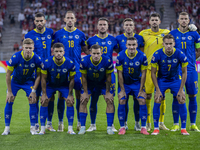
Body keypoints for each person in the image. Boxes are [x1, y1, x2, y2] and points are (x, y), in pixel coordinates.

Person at [53, 11, 89, 131]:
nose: (69, 20)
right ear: (64, 19)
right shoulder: (58, 34)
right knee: (62, 94)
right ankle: (60, 122)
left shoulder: (80, 34)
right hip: (62, 69)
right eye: (67, 17)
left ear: (75, 20)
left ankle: (79, 122)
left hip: (77, 69)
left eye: (71, 18)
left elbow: (85, 49)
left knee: (79, 95)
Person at [2, 38, 43, 135]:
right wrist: (9, 91)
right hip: (15, 81)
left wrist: (34, 91)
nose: (28, 50)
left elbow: (38, 76)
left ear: (33, 48)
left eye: (30, 48)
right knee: (10, 100)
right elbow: (8, 75)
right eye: (26, 48)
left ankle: (33, 128)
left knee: (33, 100)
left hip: (28, 82)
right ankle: (6, 128)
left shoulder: (36, 58)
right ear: (23, 48)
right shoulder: (16, 57)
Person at [151, 34, 189, 135]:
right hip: (162, 80)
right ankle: (156, 128)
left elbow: (184, 72)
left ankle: (183, 128)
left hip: (175, 80)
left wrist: (181, 89)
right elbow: (153, 73)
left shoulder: (180, 54)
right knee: (157, 98)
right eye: (166, 44)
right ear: (163, 44)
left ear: (174, 44)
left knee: (181, 98)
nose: (168, 46)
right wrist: (157, 90)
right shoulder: (157, 54)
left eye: (170, 44)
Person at [86, 17, 118, 132]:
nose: (102, 26)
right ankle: (92, 125)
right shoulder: (91, 40)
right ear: (97, 26)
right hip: (94, 75)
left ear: (107, 26)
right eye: (100, 24)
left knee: (110, 99)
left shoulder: (113, 40)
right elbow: (87, 51)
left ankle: (111, 125)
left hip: (108, 74)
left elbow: (120, 51)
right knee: (93, 100)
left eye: (104, 24)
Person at [169, 12, 200, 132]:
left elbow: (198, 50)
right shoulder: (172, 34)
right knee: (176, 96)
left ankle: (192, 124)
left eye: (185, 19)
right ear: (178, 20)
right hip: (177, 70)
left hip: (191, 70)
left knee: (192, 96)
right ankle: (176, 124)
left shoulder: (195, 34)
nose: (183, 20)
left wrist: (190, 60)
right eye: (181, 18)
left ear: (189, 20)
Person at [139, 13, 170, 131]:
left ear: (159, 21)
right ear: (149, 22)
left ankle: (161, 123)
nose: (154, 22)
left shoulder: (166, 33)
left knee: (162, 96)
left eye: (156, 20)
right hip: (148, 69)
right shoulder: (143, 33)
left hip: (162, 69)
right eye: (152, 20)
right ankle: (148, 123)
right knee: (148, 96)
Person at [25, 12, 54, 132]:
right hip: (35, 71)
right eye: (37, 21)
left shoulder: (50, 32)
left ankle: (49, 123)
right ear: (34, 22)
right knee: (35, 97)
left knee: (50, 97)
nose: (39, 23)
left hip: (48, 70)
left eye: (41, 20)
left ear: (45, 21)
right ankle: (36, 123)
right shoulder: (29, 34)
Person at [39, 43, 76, 135]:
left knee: (69, 101)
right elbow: (43, 78)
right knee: (44, 101)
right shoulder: (47, 62)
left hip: (63, 85)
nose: (58, 53)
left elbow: (72, 80)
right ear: (53, 52)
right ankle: (43, 129)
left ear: (64, 52)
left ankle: (70, 129)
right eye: (56, 51)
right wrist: (43, 94)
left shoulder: (70, 63)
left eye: (60, 51)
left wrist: (70, 94)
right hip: (50, 85)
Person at [78, 44, 115, 135]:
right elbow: (83, 77)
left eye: (98, 53)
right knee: (83, 100)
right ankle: (82, 127)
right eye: (94, 53)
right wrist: (85, 92)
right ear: (90, 53)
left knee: (109, 100)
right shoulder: (84, 61)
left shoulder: (107, 61)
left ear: (101, 53)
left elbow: (109, 77)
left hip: (103, 83)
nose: (96, 55)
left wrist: (107, 92)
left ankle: (109, 127)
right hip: (89, 83)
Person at [116, 18, 144, 131]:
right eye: (126, 24)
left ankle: (138, 123)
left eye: (130, 25)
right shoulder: (118, 38)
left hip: (137, 75)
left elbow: (142, 53)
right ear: (123, 26)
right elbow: (118, 52)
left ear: (134, 26)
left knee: (139, 100)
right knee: (124, 100)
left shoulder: (140, 38)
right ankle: (125, 123)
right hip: (125, 74)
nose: (128, 26)